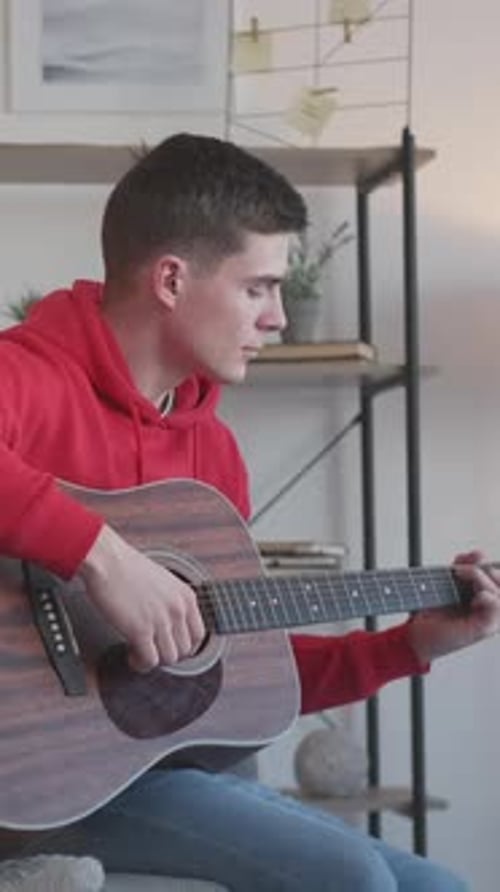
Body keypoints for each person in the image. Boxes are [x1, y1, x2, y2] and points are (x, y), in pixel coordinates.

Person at [0, 132, 498, 892]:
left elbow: (238, 676)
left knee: (440, 888)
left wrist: (408, 645)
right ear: (171, 279)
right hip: (33, 775)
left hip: (141, 771)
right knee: (355, 878)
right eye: (259, 288)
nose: (279, 320)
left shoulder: (212, 459)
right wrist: (104, 558)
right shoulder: (25, 375)